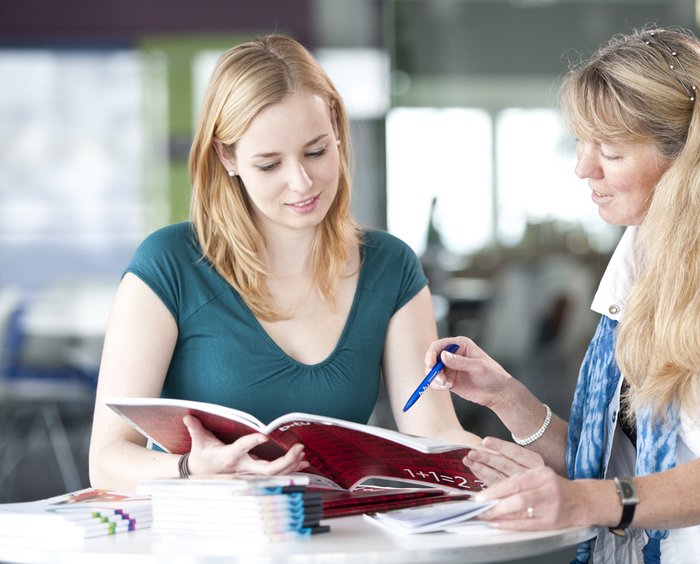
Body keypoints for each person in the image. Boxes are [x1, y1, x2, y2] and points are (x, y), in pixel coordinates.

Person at [424, 27, 700, 563]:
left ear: (686, 158)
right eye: (582, 143)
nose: (582, 168)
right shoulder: (641, 257)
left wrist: (580, 500)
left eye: (609, 151)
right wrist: (506, 400)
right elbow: (627, 474)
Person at [89, 35, 478, 491]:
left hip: (331, 541)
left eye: (316, 152)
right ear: (227, 157)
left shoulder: (390, 267)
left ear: (336, 127)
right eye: (269, 165)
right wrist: (191, 469)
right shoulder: (169, 265)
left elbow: (433, 434)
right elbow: (107, 461)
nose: (301, 182)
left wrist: (516, 467)